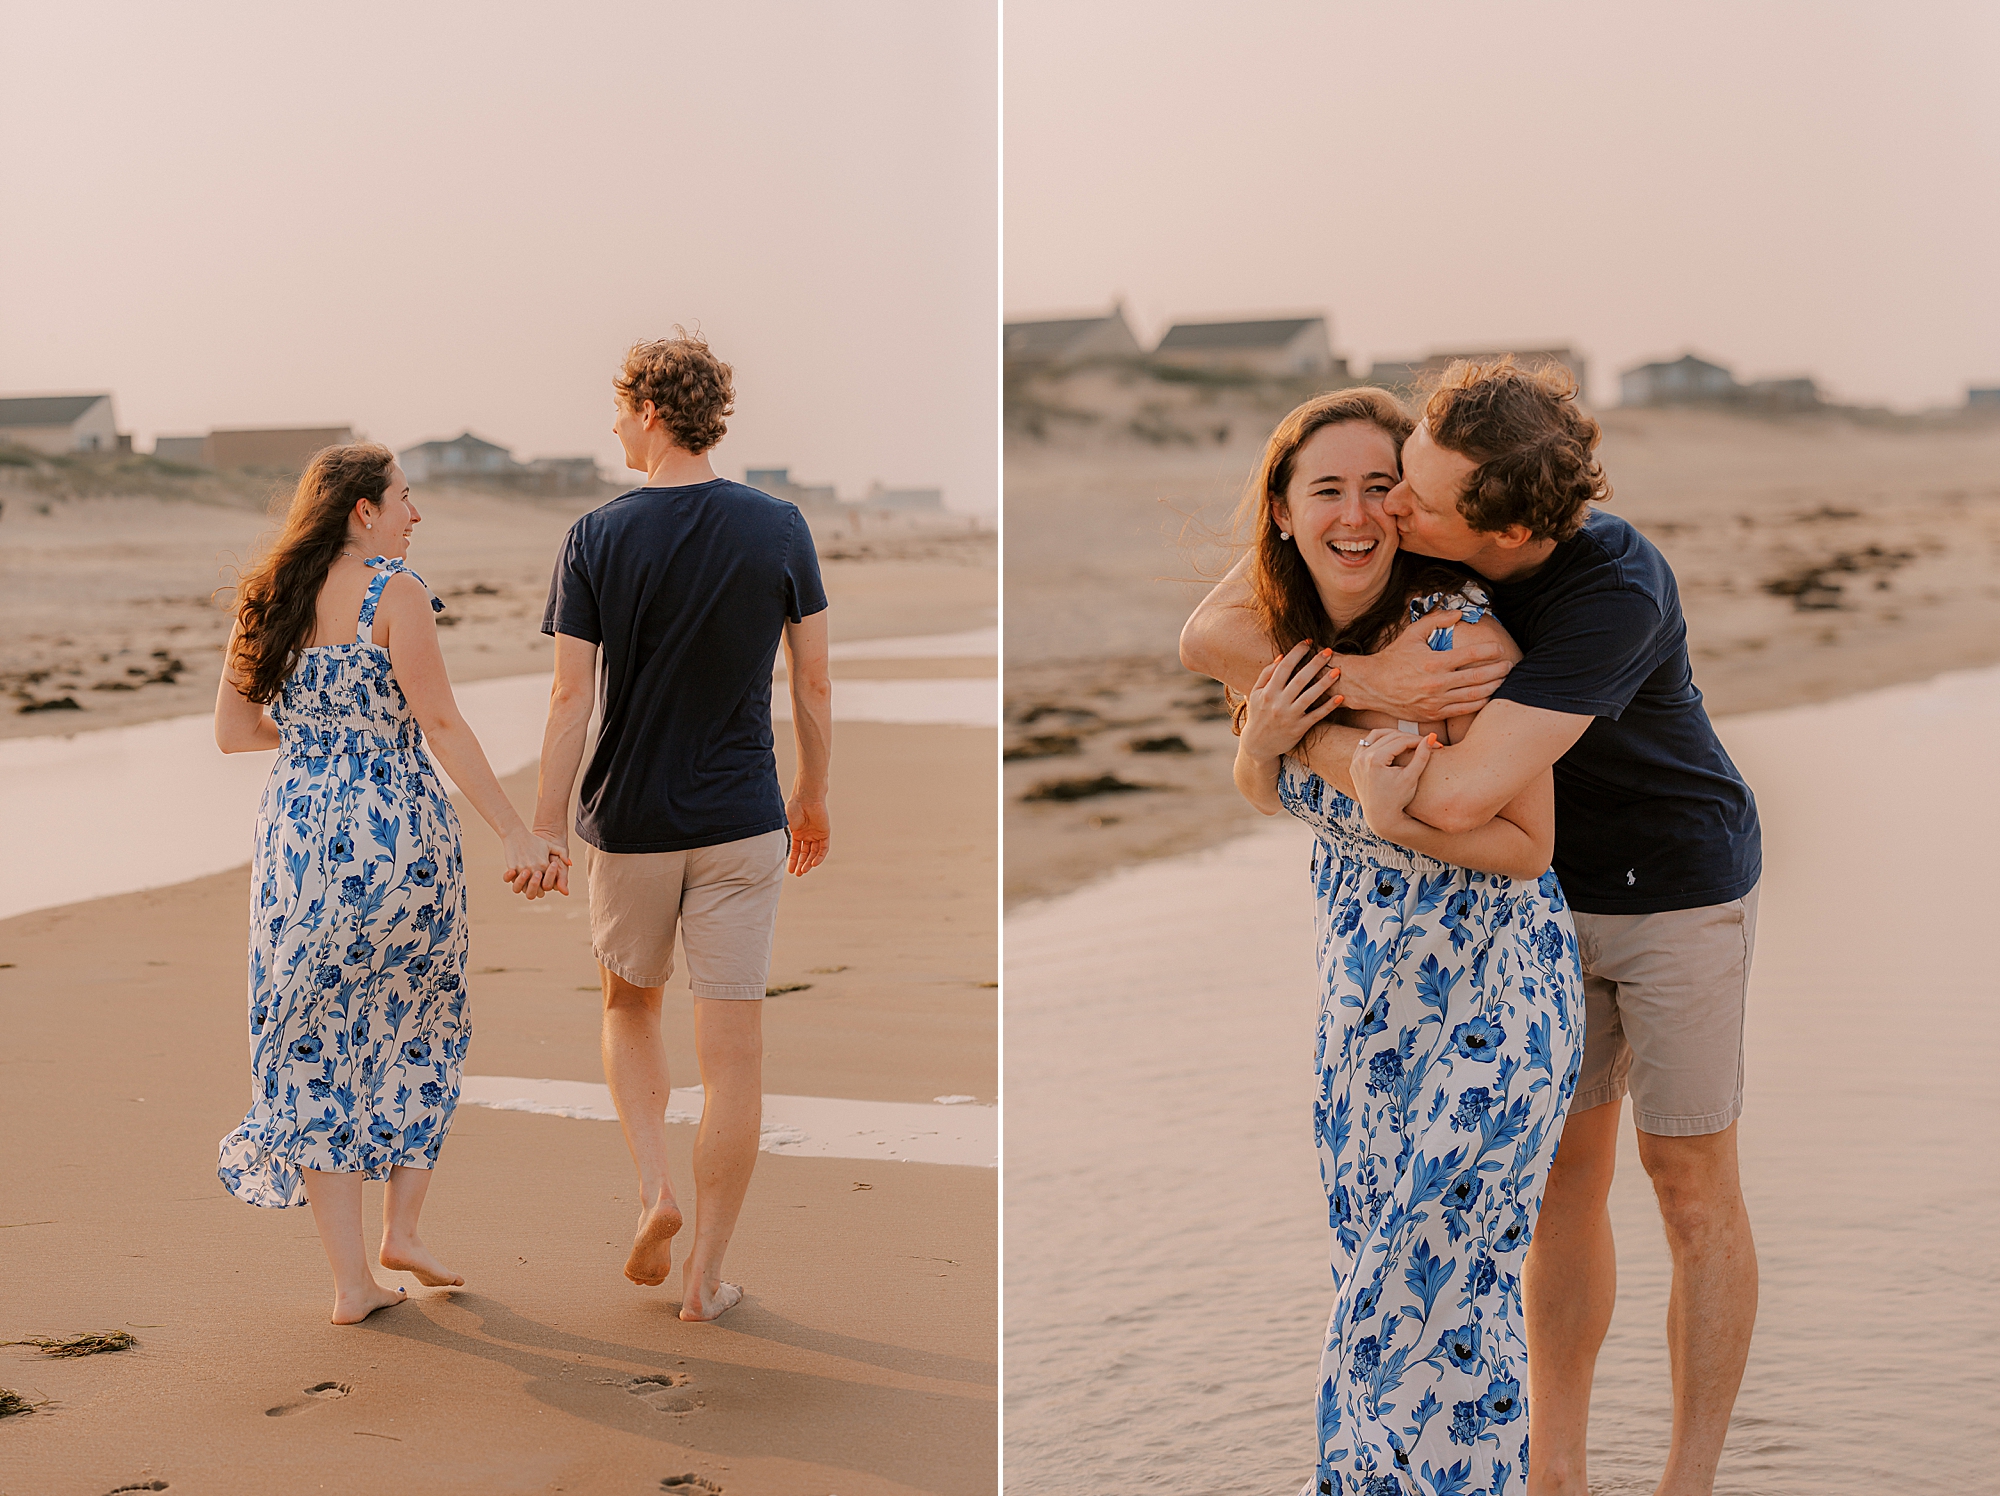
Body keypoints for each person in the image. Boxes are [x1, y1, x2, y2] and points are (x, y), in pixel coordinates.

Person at [1185, 360, 1762, 1496]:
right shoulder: (1416, 538)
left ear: (1496, 529)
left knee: (1689, 1185)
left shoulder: (1608, 592)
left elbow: (1453, 804)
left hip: (1669, 887)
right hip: (1515, 921)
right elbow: (1211, 626)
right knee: (1558, 1189)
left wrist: (1315, 722)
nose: (1387, 510)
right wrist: (1345, 684)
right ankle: (1555, 1476)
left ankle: (1684, 1483)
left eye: (1413, 497)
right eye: (1388, 484)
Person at [1222, 389, 1583, 1496]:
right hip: (1362, 1021)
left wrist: (1398, 816)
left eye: (1381, 487)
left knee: (1431, 1293)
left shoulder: (1454, 639)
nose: (1357, 512)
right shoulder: (1285, 645)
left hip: (1492, 1005)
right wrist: (1267, 741)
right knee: (1372, 1287)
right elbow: (1261, 790)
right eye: (1324, 489)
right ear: (1282, 512)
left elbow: (1527, 844)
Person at [523, 331, 833, 1323]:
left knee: (628, 1007)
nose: (613, 425)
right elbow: (813, 680)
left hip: (631, 820)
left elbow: (569, 700)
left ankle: (654, 1187)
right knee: (733, 1051)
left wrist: (545, 824)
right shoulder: (778, 525)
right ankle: (705, 1277)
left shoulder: (595, 534)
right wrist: (813, 792)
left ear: (651, 411)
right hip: (743, 818)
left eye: (619, 408)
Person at [214, 443, 561, 1325]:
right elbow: (439, 721)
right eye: (406, 498)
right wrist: (517, 832)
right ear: (361, 511)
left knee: (314, 1042)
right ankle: (401, 1227)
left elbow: (233, 732)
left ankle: (349, 1287)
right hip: (396, 836)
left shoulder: (265, 599)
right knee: (419, 1017)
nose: (416, 515)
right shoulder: (393, 592)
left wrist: (316, 745)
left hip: (297, 844)